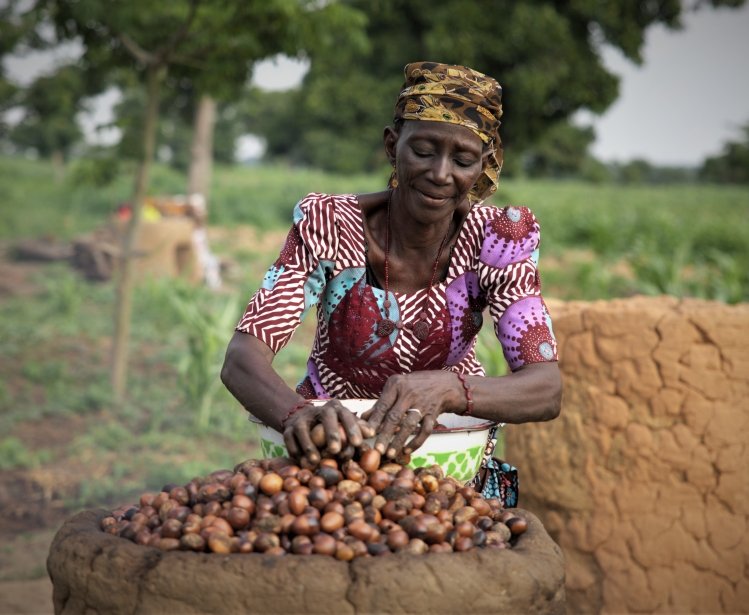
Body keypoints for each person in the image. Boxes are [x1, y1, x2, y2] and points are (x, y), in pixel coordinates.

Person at [221, 61, 561, 503]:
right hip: (331, 453)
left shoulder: (498, 240)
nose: (441, 173)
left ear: (483, 166)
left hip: (446, 460)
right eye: (423, 150)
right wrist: (296, 415)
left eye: (462, 160)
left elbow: (545, 388)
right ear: (391, 145)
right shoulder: (330, 225)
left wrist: (449, 388)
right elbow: (243, 358)